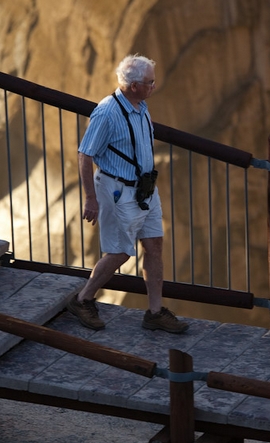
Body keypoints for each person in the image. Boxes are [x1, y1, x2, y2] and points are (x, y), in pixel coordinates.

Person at [68, 54, 189, 334]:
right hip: (118, 190)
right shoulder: (107, 112)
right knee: (121, 252)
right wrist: (91, 198)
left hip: (145, 189)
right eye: (150, 82)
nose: (154, 86)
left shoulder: (141, 106)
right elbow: (85, 155)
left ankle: (155, 312)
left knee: (154, 246)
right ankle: (83, 299)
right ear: (134, 86)